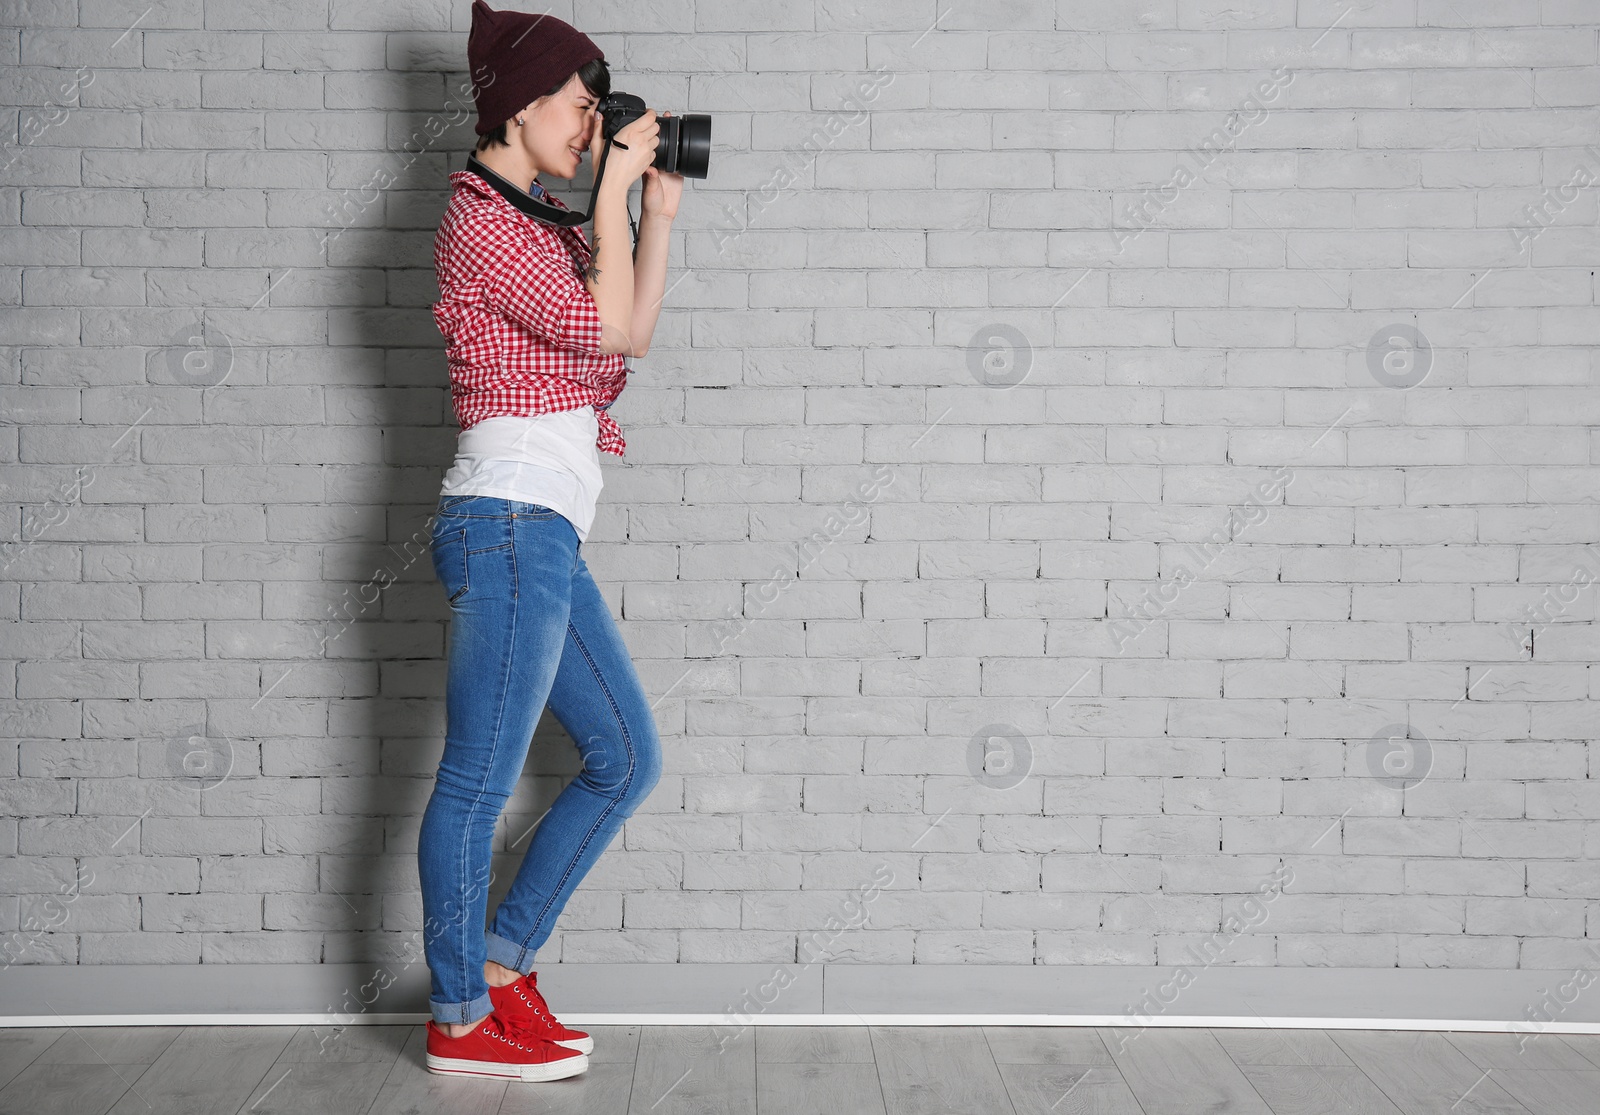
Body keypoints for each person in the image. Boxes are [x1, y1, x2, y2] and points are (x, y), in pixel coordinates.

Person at [417, 1, 680, 1083]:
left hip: (546, 533)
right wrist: (614, 190)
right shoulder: (478, 219)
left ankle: (503, 965)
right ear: (520, 104)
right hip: (509, 520)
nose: (587, 129)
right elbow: (602, 329)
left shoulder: (542, 225)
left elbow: (625, 348)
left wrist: (650, 216)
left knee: (624, 756)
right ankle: (458, 1013)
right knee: (479, 779)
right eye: (579, 108)